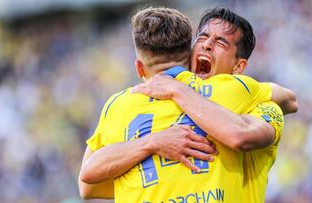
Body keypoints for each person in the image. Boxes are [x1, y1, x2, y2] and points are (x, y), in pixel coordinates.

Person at [78, 7, 295, 202]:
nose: (208, 45)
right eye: (203, 37)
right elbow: (87, 182)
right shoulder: (125, 102)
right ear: (190, 51)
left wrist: (177, 89)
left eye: (220, 42)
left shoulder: (247, 95)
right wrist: (153, 144)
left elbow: (284, 104)